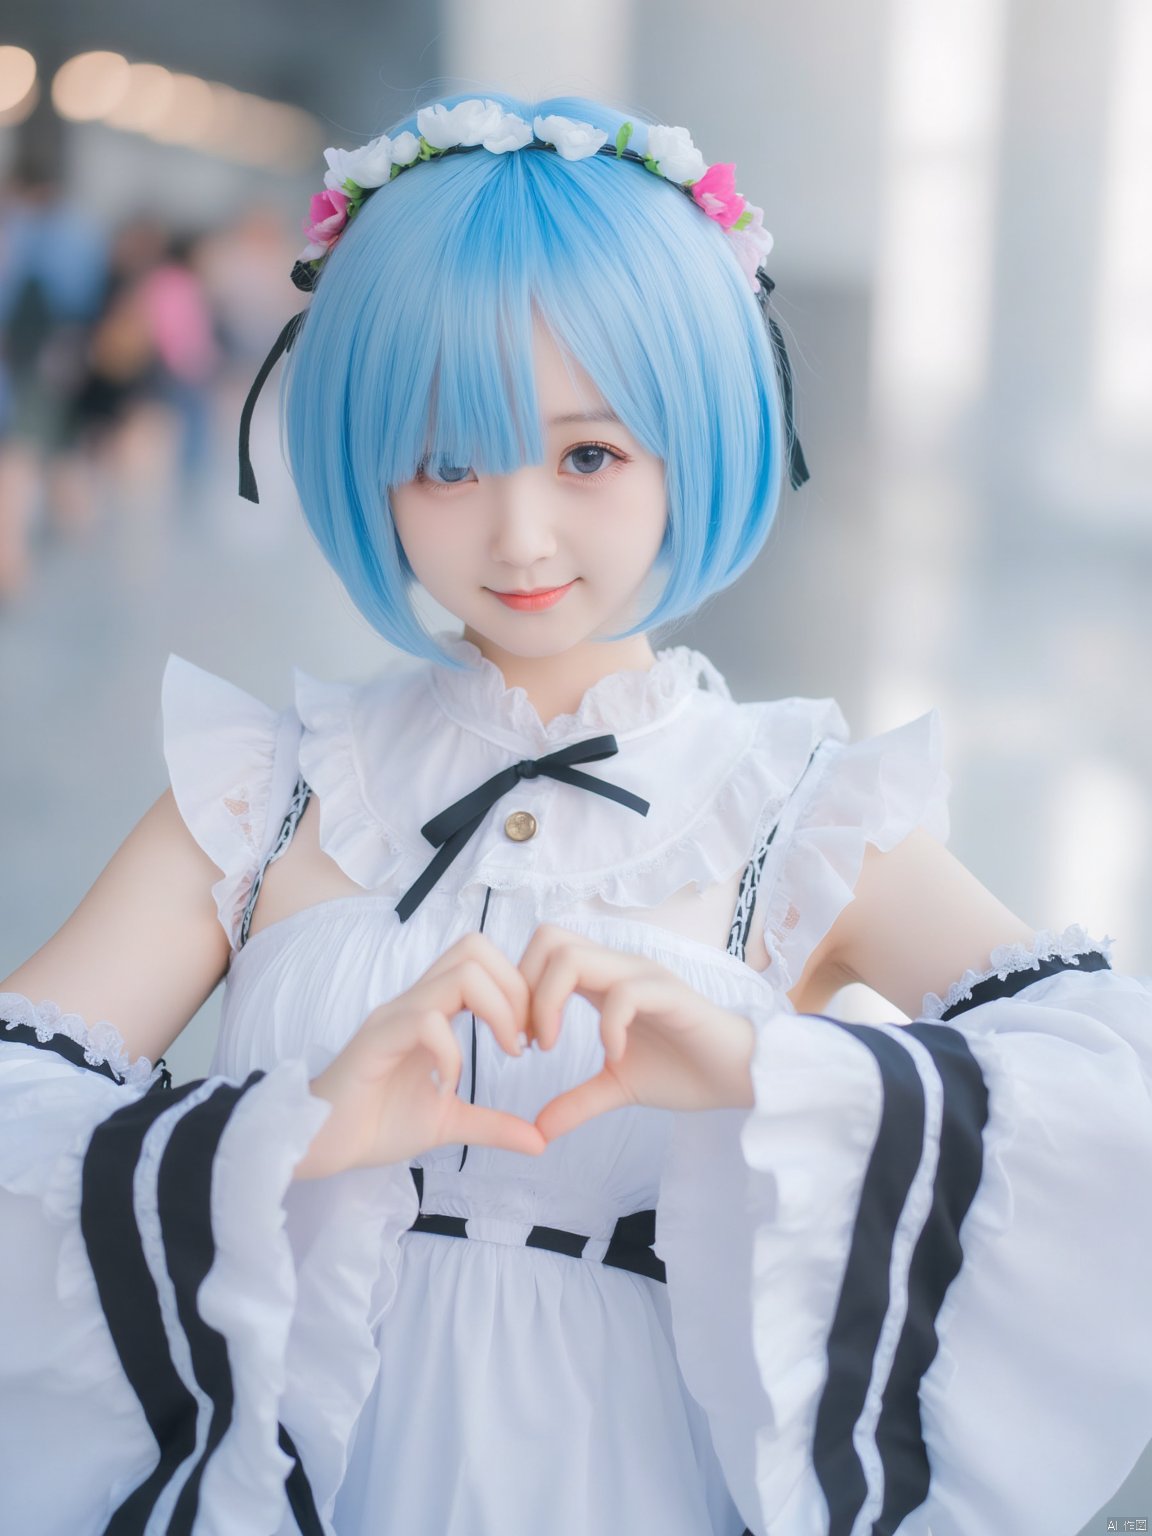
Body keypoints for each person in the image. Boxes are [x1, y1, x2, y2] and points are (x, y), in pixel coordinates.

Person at [1, 90, 1150, 1536]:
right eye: (448, 463)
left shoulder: (794, 808)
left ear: (695, 437)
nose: (522, 534)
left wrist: (764, 1076)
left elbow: (1115, 1109)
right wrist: (283, 1134)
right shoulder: (265, 789)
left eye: (589, 455)